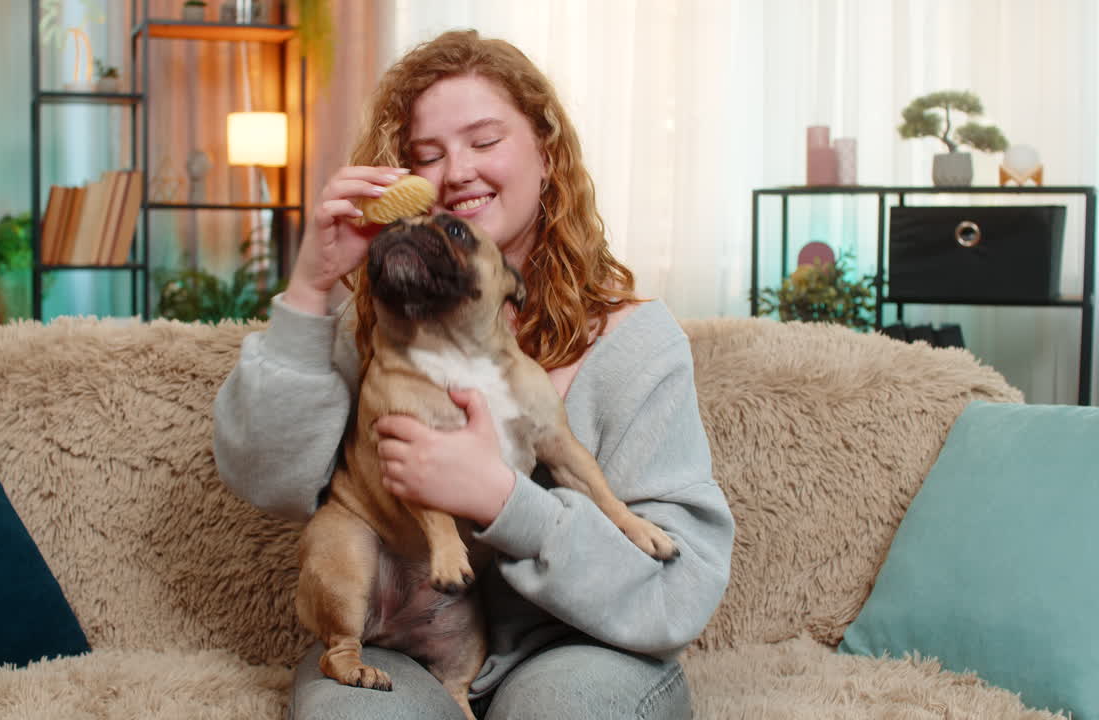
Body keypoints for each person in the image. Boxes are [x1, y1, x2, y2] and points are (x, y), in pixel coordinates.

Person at [213, 29, 734, 720]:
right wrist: (312, 286)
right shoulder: (378, 325)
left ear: (548, 154)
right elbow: (263, 479)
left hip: (580, 647)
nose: (456, 171)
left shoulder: (634, 343)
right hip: (396, 639)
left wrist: (501, 499)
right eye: (428, 155)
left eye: (484, 142)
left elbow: (678, 590)